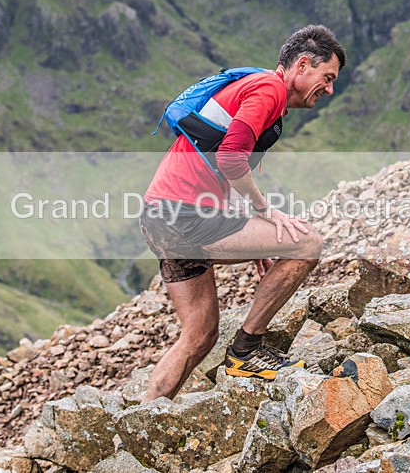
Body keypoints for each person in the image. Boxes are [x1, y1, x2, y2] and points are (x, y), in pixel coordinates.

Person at [139, 24, 346, 401]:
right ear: (302, 65)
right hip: (186, 215)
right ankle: (246, 351)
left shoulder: (255, 87)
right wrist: (267, 214)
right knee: (307, 243)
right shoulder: (268, 90)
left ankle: (139, 422)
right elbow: (231, 158)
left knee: (199, 336)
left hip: (159, 215)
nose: (329, 89)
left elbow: (220, 167)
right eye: (327, 77)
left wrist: (253, 239)